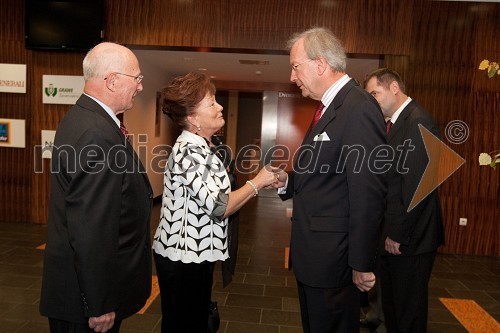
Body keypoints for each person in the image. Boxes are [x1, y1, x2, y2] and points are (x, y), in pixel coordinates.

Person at [273, 27, 388, 333]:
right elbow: (327, 176)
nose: (292, 77)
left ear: (320, 64)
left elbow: (368, 192)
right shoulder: (327, 109)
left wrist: (362, 263)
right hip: (316, 255)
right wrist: (287, 181)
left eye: (296, 67)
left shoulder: (359, 108)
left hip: (334, 260)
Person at [39, 42, 153, 333]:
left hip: (76, 292)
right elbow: (92, 228)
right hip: (86, 303)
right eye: (137, 79)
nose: (140, 87)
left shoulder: (84, 117)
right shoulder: (96, 134)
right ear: (112, 81)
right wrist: (99, 303)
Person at [152, 72, 278, 333]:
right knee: (183, 325)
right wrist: (258, 182)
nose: (220, 106)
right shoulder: (189, 151)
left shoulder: (206, 146)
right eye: (211, 103)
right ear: (192, 118)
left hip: (196, 253)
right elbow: (219, 207)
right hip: (184, 256)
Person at [364, 68, 444, 333]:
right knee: (394, 308)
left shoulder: (418, 121)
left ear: (394, 88)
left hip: (411, 238)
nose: (372, 100)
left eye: (375, 93)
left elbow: (416, 185)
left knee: (409, 312)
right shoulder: (398, 122)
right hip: (397, 234)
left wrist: (396, 233)